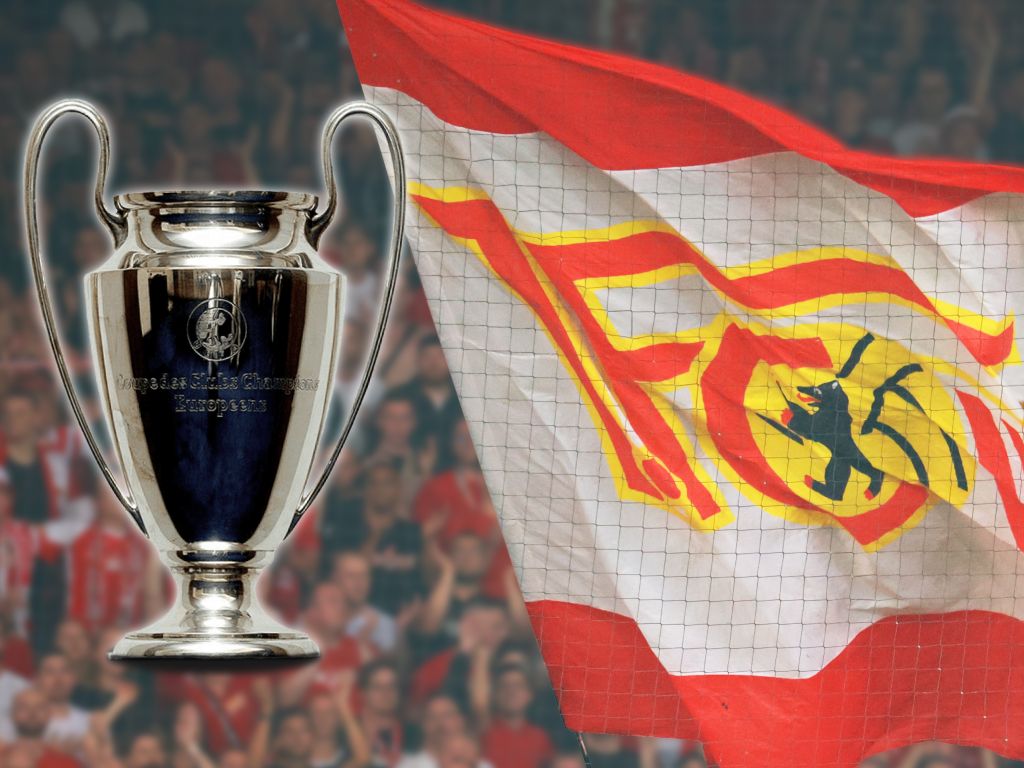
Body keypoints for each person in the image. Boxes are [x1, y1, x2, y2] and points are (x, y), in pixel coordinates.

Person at [322, 460, 425, 616]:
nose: (380, 489)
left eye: (387, 483)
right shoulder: (346, 524)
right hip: (350, 615)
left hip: (402, 620)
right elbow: (333, 575)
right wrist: (375, 536)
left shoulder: (411, 532)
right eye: (373, 483)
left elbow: (419, 583)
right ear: (364, 489)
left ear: (398, 489)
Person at [479, 665, 553, 768]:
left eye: (518, 686)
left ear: (530, 694)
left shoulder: (541, 738)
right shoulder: (484, 735)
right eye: (504, 686)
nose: (511, 692)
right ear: (495, 694)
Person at [331, 551, 399, 655]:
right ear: (335, 578)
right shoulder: (318, 621)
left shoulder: (383, 625)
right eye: (351, 576)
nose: (359, 582)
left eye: (364, 575)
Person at [3, 687, 80, 768]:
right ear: (12, 714)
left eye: (40, 707)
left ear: (49, 714)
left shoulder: (66, 762)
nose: (32, 713)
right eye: (24, 707)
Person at [357, 660, 405, 768]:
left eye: (391, 686)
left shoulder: (412, 732)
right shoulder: (348, 735)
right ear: (363, 693)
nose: (386, 692)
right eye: (377, 687)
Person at [37, 654, 90, 748]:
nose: (58, 679)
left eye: (64, 671)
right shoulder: (25, 722)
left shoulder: (87, 722)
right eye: (50, 672)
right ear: (38, 679)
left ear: (74, 678)